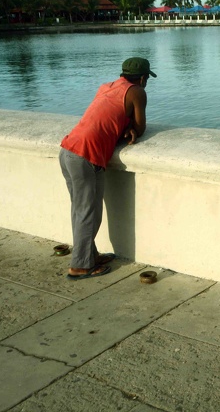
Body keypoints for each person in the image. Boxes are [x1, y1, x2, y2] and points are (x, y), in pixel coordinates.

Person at [59, 57, 156, 280]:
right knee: (88, 213)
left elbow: (108, 116)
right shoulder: (137, 92)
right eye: (146, 79)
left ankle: (89, 256)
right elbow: (140, 127)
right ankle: (80, 266)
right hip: (86, 155)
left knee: (80, 211)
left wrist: (124, 126)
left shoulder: (107, 87)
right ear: (142, 78)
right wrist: (132, 128)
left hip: (67, 151)